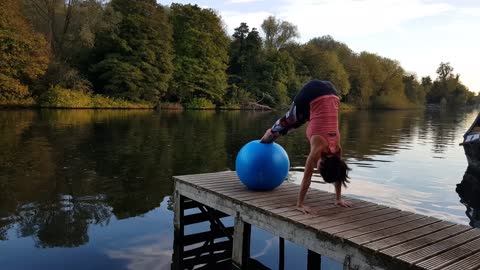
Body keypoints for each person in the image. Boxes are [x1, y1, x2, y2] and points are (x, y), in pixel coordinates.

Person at [260, 79, 351, 214]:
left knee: (297, 123)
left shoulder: (337, 149)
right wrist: (300, 204)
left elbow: (339, 173)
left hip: (332, 93)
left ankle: (271, 135)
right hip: (312, 92)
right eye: (319, 169)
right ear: (323, 164)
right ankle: (264, 139)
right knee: (284, 126)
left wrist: (338, 199)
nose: (316, 169)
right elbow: (307, 178)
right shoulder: (318, 149)